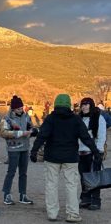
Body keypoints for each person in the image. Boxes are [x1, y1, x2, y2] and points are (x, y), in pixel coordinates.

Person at [30, 93, 102, 223]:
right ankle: (72, 214)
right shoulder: (75, 119)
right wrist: (96, 152)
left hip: (52, 157)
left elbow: (42, 136)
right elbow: (86, 137)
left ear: (56, 104)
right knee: (71, 185)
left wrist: (34, 151)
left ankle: (52, 213)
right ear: (69, 105)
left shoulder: (50, 119)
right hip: (71, 158)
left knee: (51, 185)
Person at [0, 95, 35, 206]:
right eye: (19, 108)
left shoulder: (26, 117)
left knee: (23, 173)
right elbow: (2, 132)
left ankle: (23, 195)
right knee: (11, 172)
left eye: (22, 108)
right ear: (13, 109)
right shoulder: (7, 119)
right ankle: (6, 195)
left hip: (25, 148)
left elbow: (31, 127)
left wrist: (32, 131)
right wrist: (19, 133)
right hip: (13, 149)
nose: (21, 110)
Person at [77, 97, 106, 211]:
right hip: (81, 152)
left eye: (86, 104)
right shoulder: (79, 118)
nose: (84, 107)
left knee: (94, 177)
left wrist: (98, 152)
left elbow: (101, 135)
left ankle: (95, 200)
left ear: (91, 105)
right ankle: (86, 199)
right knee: (84, 177)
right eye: (82, 104)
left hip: (93, 152)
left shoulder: (99, 118)